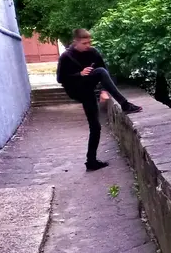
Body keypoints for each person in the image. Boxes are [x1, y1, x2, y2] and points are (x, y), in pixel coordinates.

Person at [56, 28, 143, 171]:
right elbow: (60, 79)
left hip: (88, 90)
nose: (88, 45)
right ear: (76, 42)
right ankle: (125, 104)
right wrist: (79, 74)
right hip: (75, 89)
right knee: (100, 72)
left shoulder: (93, 52)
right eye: (84, 43)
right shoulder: (66, 56)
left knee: (95, 126)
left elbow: (105, 73)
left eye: (89, 42)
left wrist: (103, 90)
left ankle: (91, 161)